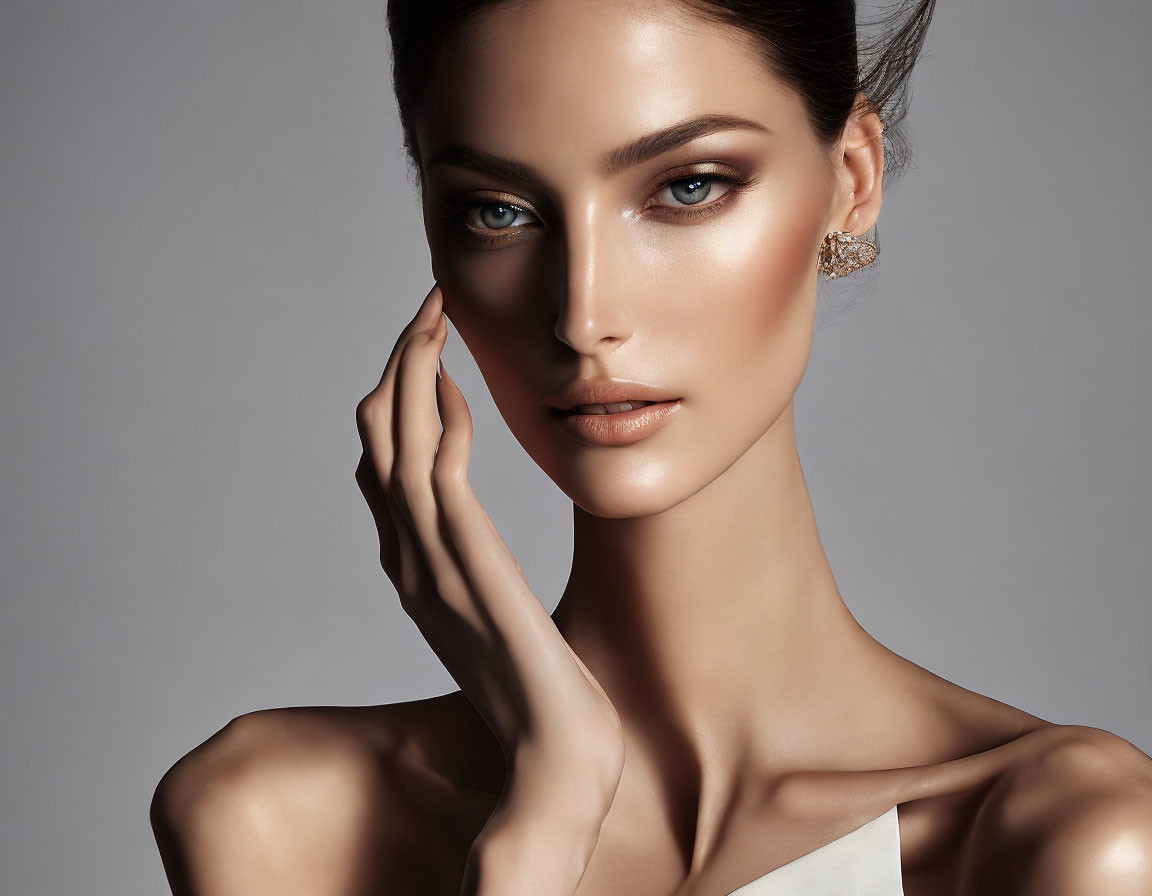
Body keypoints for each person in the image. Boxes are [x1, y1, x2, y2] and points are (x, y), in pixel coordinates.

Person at [150, 1, 1152, 893]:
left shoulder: (1059, 842)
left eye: (687, 186)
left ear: (851, 178)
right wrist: (548, 808)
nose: (585, 312)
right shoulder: (280, 820)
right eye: (498, 210)